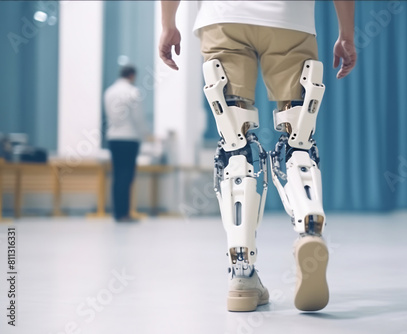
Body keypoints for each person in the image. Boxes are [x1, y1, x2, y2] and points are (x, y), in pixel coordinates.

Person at [159, 0, 356, 312]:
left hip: (224, 19)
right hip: (291, 21)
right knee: (298, 139)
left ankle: (242, 274)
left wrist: (168, 23)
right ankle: (309, 229)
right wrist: (346, 33)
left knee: (235, 144)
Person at [104, 65, 149, 222]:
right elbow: (138, 118)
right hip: (129, 138)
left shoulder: (109, 92)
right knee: (127, 176)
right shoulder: (132, 92)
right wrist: (146, 135)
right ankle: (125, 214)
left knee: (117, 176)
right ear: (132, 76)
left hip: (113, 138)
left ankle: (117, 213)